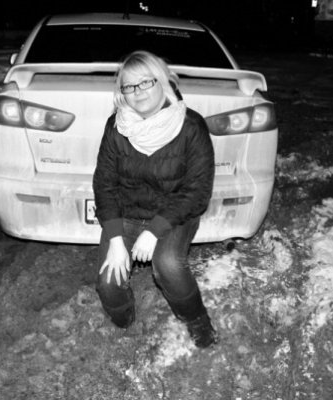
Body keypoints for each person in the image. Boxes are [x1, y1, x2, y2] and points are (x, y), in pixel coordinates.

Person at [93, 50, 218, 348]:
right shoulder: (116, 127)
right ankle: (125, 322)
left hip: (174, 214)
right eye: (129, 86)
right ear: (121, 92)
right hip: (128, 213)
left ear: (162, 81)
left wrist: (153, 231)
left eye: (145, 82)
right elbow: (105, 185)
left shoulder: (191, 126)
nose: (137, 92)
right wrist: (115, 241)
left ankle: (197, 320)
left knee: (168, 265)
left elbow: (197, 191)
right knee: (108, 282)